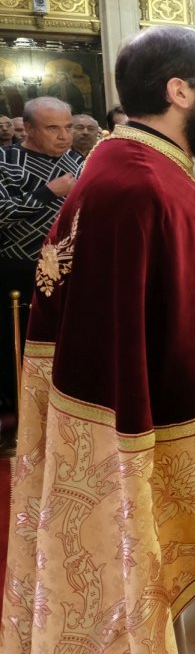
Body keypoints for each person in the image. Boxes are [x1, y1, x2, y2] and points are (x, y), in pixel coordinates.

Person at [0, 25, 195, 652]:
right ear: (180, 91)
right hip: (173, 451)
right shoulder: (142, 185)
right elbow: (193, 340)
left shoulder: (137, 163)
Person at [0, 96, 81, 446]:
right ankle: (20, 418)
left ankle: (66, 417)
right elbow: (4, 215)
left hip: (72, 271)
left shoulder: (78, 161)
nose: (64, 136)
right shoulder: (7, 162)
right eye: (53, 128)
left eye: (68, 127)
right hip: (18, 270)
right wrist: (49, 191)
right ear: (28, 128)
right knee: (17, 347)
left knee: (69, 346)